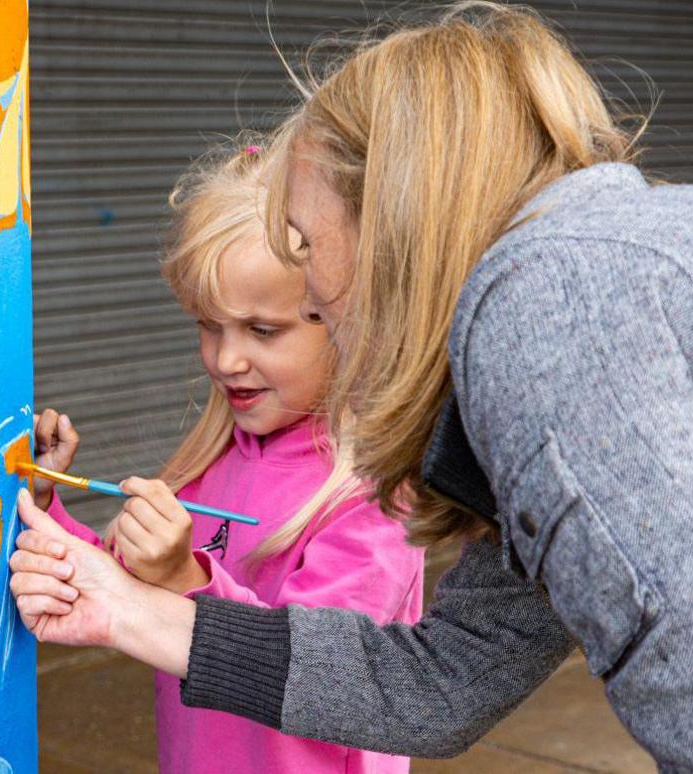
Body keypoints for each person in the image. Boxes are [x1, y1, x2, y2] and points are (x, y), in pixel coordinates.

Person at [9, 2, 693, 770]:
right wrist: (125, 609)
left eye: (307, 244)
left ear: (393, 216)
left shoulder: (548, 309)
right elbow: (436, 682)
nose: (311, 287)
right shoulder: (586, 287)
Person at [23, 141, 425, 774]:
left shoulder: (375, 496)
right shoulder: (212, 463)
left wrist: (186, 579)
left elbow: (321, 672)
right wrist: (47, 505)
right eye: (209, 325)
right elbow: (116, 593)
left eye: (262, 330)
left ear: (349, 318)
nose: (224, 359)